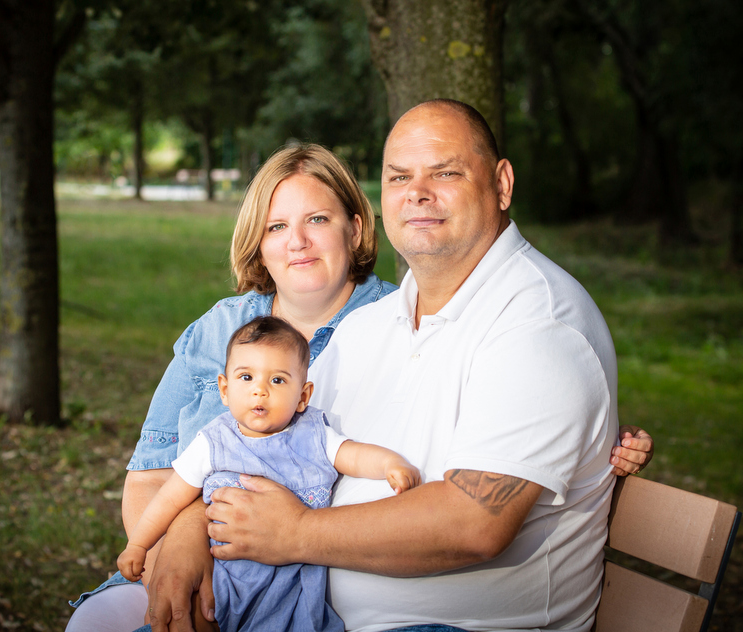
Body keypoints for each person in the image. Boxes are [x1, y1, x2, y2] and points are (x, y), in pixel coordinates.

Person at [66, 140, 653, 632]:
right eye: (277, 226)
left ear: (355, 226)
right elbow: (151, 473)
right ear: (258, 242)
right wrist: (181, 543)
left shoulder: (392, 321)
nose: (297, 241)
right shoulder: (219, 329)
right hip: (191, 557)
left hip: (296, 581)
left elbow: (480, 421)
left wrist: (593, 436)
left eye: (317, 220)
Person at [204, 99, 641, 632]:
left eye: (446, 173)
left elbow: (474, 522)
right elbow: (272, 445)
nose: (417, 192)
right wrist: (187, 534)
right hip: (307, 613)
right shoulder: (368, 326)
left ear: (502, 184)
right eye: (399, 177)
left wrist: (295, 534)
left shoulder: (540, 325)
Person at [117, 315, 420, 632]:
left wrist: (389, 464)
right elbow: (169, 499)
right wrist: (138, 545)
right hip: (221, 577)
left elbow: (352, 454)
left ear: (302, 396)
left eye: (277, 380)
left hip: (290, 586)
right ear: (225, 389)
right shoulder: (212, 441)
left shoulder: (313, 434)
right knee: (193, 617)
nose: (260, 390)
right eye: (246, 377)